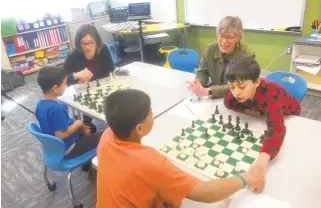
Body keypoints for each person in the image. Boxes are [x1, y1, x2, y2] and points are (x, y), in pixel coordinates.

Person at [96, 89, 264, 208]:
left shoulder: (107, 136)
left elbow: (134, 181)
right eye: (150, 113)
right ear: (139, 128)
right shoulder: (150, 162)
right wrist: (245, 178)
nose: (153, 114)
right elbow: (206, 193)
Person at [223, 56, 301, 192]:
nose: (236, 92)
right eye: (232, 87)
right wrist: (250, 110)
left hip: (290, 115)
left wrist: (262, 160)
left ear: (256, 82)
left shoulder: (270, 96)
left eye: (241, 86)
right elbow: (228, 102)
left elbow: (277, 129)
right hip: (262, 112)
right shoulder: (238, 94)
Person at [35, 65, 102, 160]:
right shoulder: (56, 109)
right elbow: (61, 135)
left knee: (91, 130)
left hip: (55, 147)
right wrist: (78, 124)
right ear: (55, 88)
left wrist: (78, 129)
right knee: (105, 135)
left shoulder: (40, 105)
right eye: (65, 84)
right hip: (69, 147)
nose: (66, 86)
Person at [187, 16, 255, 98]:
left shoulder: (246, 56)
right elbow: (202, 72)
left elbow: (238, 85)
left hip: (236, 98)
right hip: (213, 96)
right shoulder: (211, 49)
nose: (224, 41)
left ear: (238, 38)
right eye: (222, 36)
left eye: (229, 37)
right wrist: (198, 84)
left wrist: (208, 91)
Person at [63, 24, 114, 132]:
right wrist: (76, 76)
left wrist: (96, 79)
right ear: (78, 43)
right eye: (83, 43)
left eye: (91, 42)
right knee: (88, 121)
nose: (87, 47)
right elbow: (62, 77)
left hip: (102, 85)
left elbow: (110, 68)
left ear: (97, 41)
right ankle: (86, 123)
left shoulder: (103, 49)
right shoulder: (74, 55)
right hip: (82, 89)